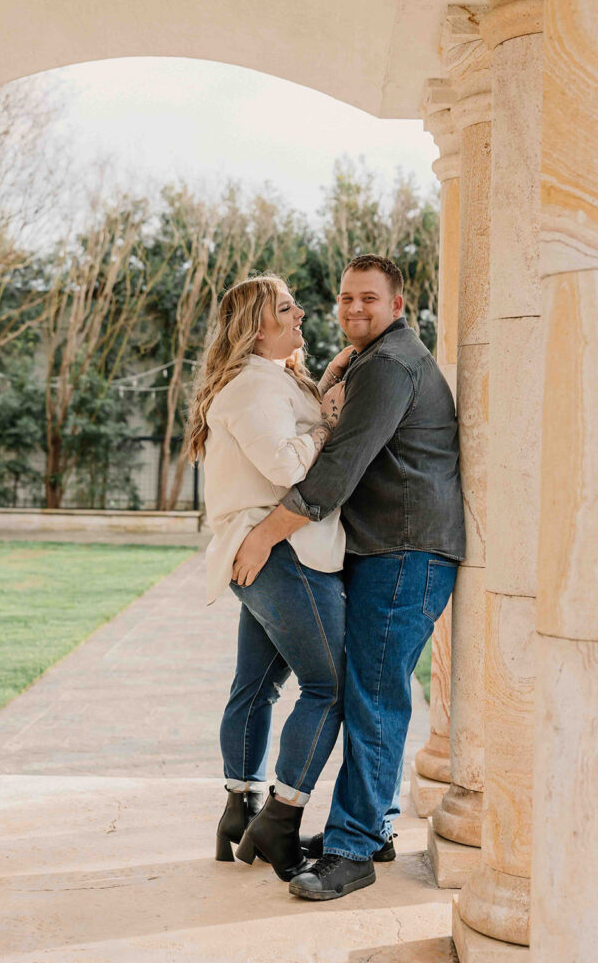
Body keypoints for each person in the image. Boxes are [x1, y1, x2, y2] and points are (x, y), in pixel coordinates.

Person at [232, 254, 466, 900]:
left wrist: (261, 535)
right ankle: (373, 828)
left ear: (397, 304)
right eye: (344, 298)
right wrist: (336, 365)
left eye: (367, 298)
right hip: (389, 549)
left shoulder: (390, 365)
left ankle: (352, 851)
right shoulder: (373, 359)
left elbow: (337, 466)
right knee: (369, 692)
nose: (352, 308)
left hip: (404, 552)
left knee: (371, 697)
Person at [187, 273, 352, 882]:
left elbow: (305, 418)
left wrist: (328, 384)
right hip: (285, 555)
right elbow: (287, 465)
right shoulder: (253, 387)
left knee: (254, 688)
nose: (300, 312)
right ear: (257, 325)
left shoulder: (272, 380)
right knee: (328, 686)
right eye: (286, 307)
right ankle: (281, 819)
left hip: (262, 556)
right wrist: (327, 429)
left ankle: (239, 806)